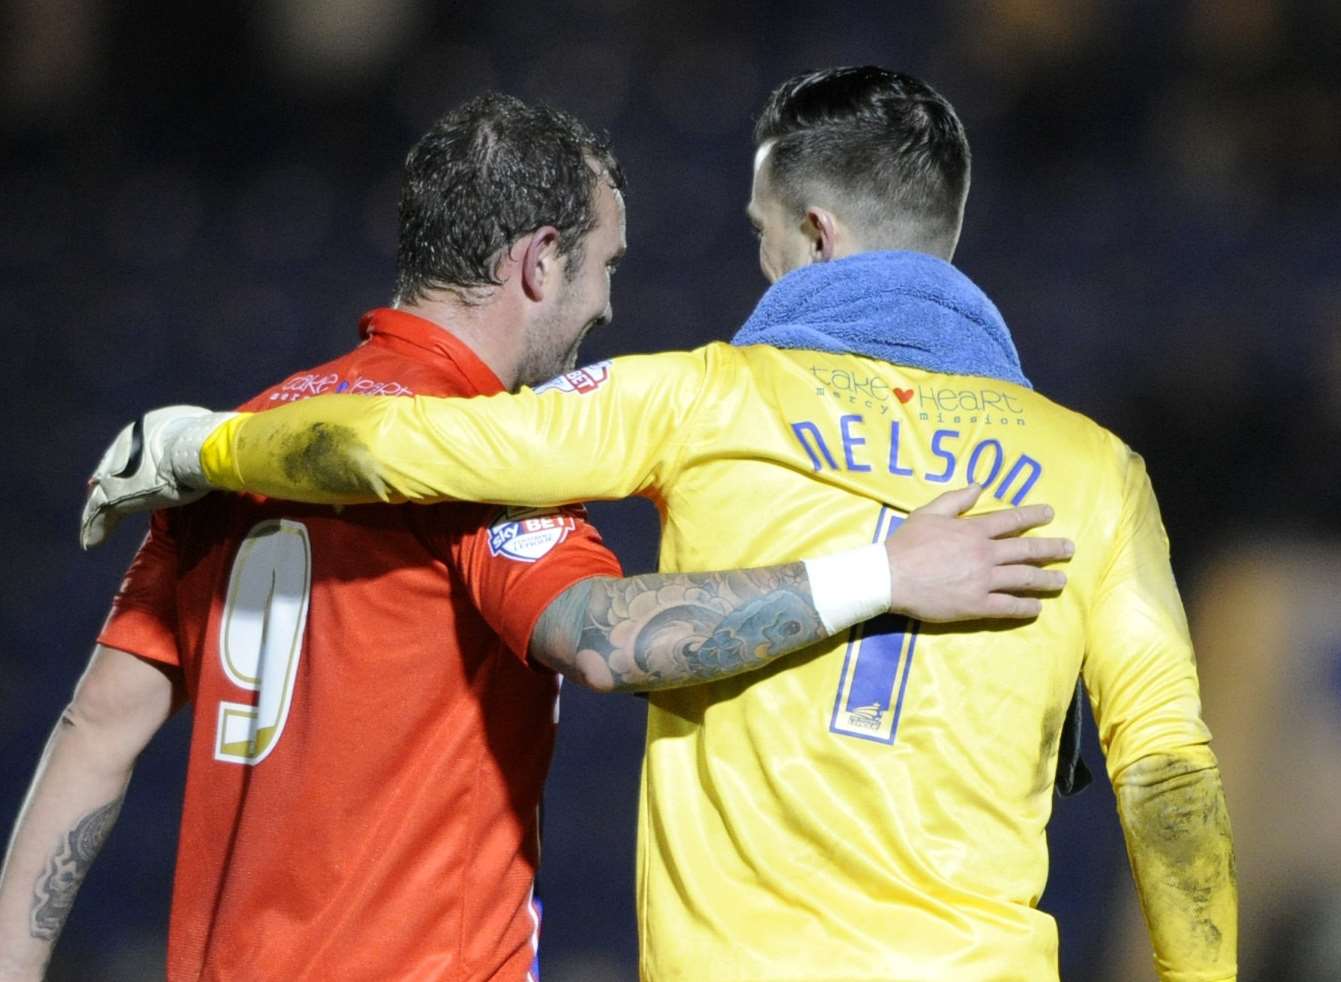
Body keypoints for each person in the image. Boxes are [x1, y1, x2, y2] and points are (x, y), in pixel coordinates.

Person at [0, 93, 1073, 982]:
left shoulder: (246, 441)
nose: (610, 303)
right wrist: (886, 572)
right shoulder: (488, 456)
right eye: (605, 265)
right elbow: (609, 639)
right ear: (538, 261)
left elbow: (97, 726)